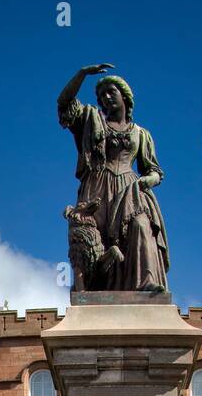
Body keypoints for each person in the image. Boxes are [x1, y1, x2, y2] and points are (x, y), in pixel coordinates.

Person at [57, 63, 170, 293]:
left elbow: (155, 170)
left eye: (111, 92)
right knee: (93, 242)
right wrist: (81, 74)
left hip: (131, 191)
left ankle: (145, 282)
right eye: (101, 95)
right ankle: (91, 290)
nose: (106, 97)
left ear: (125, 97)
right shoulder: (90, 119)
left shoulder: (141, 133)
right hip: (96, 188)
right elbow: (64, 103)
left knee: (141, 225)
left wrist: (150, 180)